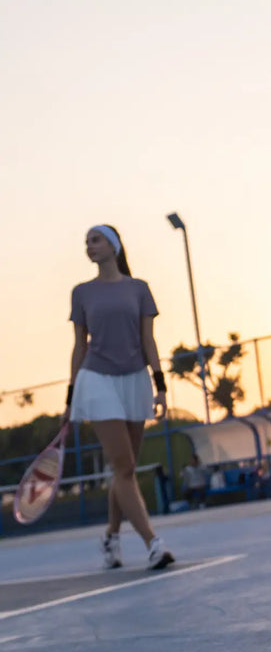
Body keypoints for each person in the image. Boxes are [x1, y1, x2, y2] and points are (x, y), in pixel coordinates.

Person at [66, 224, 175, 570]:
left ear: (114, 246)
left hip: (135, 380)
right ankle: (153, 544)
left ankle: (111, 537)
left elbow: (149, 340)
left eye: (95, 240)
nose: (89, 246)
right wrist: (71, 396)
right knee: (124, 467)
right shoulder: (81, 292)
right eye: (86, 242)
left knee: (123, 470)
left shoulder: (139, 289)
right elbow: (79, 345)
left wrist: (161, 386)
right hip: (96, 380)